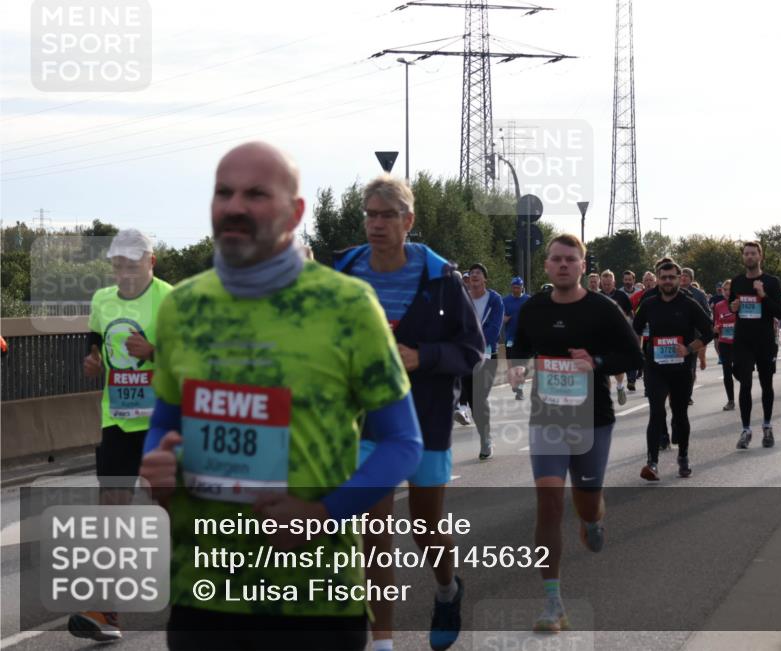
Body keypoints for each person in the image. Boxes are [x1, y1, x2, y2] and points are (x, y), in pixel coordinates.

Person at [139, 142, 423, 651]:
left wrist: (325, 513)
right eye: (223, 192)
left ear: (294, 213)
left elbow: (403, 442)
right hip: (203, 591)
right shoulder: (182, 307)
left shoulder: (348, 306)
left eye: (255, 194)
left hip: (313, 597)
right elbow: (164, 422)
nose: (235, 206)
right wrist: (156, 460)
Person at [333, 175, 484, 651]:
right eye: (370, 215)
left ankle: (447, 588)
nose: (376, 224)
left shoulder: (442, 281)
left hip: (425, 418)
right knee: (373, 534)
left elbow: (473, 350)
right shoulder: (345, 275)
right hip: (364, 422)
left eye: (387, 215)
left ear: (408, 221)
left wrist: (423, 357)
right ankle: (382, 644)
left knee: (425, 526)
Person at [507, 234, 643, 634]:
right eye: (556, 259)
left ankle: (593, 518)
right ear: (546, 265)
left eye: (571, 259)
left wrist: (596, 361)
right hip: (547, 417)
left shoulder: (602, 309)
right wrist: (516, 368)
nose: (563, 265)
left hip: (593, 419)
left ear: (583, 266)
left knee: (586, 505)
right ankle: (553, 602)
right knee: (548, 504)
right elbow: (520, 348)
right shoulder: (533, 309)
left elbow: (634, 355)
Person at [69, 229, 173, 644]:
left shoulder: (170, 299)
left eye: (131, 266)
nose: (123, 274)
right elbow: (96, 339)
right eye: (117, 266)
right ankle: (106, 610)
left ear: (151, 262)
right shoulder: (102, 300)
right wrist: (94, 359)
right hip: (117, 419)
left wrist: (154, 353)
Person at [634, 260, 714, 480]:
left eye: (672, 277)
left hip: (681, 368)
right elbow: (635, 329)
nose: (668, 281)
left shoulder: (689, 304)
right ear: (658, 279)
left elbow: (708, 332)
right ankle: (652, 463)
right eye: (664, 277)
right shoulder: (649, 304)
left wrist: (688, 349)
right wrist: (639, 354)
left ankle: (683, 457)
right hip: (655, 367)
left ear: (679, 279)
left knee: (680, 414)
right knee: (656, 411)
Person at [729, 241, 781, 449]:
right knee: (745, 384)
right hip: (743, 340)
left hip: (764, 341)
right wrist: (734, 307)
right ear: (743, 257)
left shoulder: (771, 282)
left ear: (760, 256)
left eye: (753, 253)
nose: (749, 257)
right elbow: (735, 306)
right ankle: (745, 430)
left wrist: (763, 295)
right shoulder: (737, 282)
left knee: (766, 384)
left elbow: (779, 312)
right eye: (746, 254)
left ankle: (767, 426)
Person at [457, 263, 504, 459]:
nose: (475, 275)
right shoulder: (462, 298)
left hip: (486, 354)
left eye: (479, 273)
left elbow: (494, 328)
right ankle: (462, 408)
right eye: (472, 273)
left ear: (485, 279)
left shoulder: (495, 300)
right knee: (468, 394)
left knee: (479, 398)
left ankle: (486, 439)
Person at [599, 269, 634, 405]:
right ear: (601, 283)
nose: (607, 285)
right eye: (604, 283)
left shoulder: (621, 296)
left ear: (613, 282)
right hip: (601, 337)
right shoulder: (597, 296)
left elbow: (631, 314)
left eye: (609, 283)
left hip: (618, 336)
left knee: (618, 367)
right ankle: (606, 395)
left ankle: (619, 386)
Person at [502, 277, 531, 400]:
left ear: (522, 287)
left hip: (524, 338)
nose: (516, 289)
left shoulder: (528, 300)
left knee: (522, 365)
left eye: (518, 287)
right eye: (514, 287)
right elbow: (499, 315)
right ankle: (516, 384)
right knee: (511, 366)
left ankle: (520, 390)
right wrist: (503, 318)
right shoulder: (505, 300)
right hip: (510, 338)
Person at [713, 280, 737, 411]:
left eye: (730, 289)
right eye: (725, 289)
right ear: (722, 291)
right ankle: (731, 400)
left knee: (740, 371)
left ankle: (745, 395)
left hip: (739, 343)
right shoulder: (718, 305)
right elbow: (716, 322)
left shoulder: (739, 303)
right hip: (725, 342)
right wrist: (716, 328)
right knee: (726, 371)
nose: (728, 292)